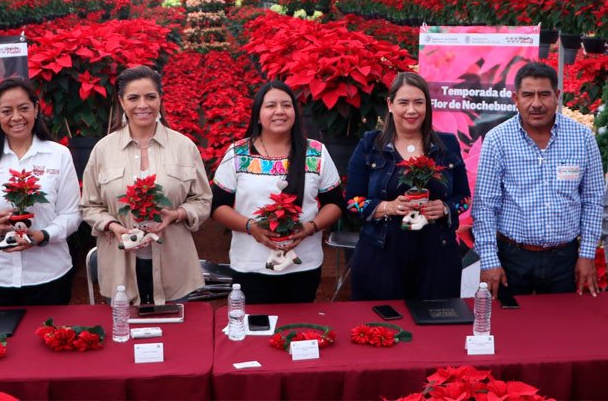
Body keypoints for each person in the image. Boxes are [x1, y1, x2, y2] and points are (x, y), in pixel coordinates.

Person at [81, 65, 211, 305]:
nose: (143, 105)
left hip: (174, 265)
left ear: (160, 99)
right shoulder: (103, 149)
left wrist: (177, 214)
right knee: (124, 334)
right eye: (133, 98)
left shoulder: (184, 147)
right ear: (121, 101)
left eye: (150, 97)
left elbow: (202, 200)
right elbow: (89, 206)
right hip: (120, 267)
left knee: (177, 334)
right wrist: (113, 226)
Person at [473, 61, 605, 298]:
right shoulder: (497, 140)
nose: (536, 104)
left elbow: (594, 200)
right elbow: (484, 207)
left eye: (544, 94)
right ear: (516, 98)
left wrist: (586, 254)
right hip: (512, 257)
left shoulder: (582, 138)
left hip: (565, 259)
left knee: (563, 327)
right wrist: (489, 260)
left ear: (557, 96)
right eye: (528, 95)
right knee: (511, 329)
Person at [211, 81, 344, 304]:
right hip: (251, 266)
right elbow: (217, 207)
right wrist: (251, 227)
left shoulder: (316, 152)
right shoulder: (239, 153)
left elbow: (335, 203)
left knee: (297, 329)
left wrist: (309, 227)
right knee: (256, 331)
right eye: (270, 105)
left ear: (295, 111)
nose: (279, 111)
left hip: (304, 265)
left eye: (286, 105)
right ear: (258, 113)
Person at [0, 77, 81, 306]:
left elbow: (71, 215)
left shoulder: (59, 155)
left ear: (36, 109)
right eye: (7, 111)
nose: (16, 117)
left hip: (48, 275)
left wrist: (44, 235)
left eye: (23, 109)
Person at [347, 72, 470, 301]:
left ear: (427, 106)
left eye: (418, 102)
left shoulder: (447, 145)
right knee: (383, 328)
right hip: (381, 256)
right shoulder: (370, 146)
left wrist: (444, 208)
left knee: (434, 331)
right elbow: (352, 202)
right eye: (403, 102)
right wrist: (387, 207)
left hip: (437, 258)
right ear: (390, 104)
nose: (411, 110)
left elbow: (464, 198)